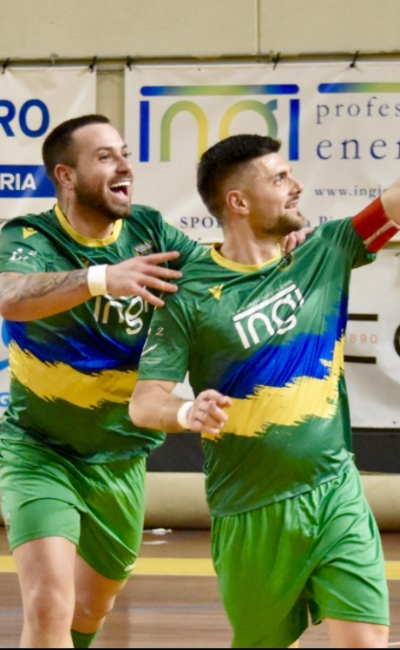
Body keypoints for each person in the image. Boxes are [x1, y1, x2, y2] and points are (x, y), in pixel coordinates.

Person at [0, 116, 306, 649]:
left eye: (124, 152)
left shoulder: (150, 231)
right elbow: (9, 295)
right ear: (66, 176)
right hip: (39, 450)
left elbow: (217, 275)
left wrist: (276, 247)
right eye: (105, 157)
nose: (124, 165)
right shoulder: (30, 236)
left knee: (92, 607)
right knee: (49, 604)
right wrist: (101, 278)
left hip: (121, 455)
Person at [129, 134, 399, 648]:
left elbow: (394, 202)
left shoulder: (326, 250)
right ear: (238, 201)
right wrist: (187, 412)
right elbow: (145, 404)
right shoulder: (189, 294)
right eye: (279, 179)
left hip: (334, 492)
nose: (297, 186)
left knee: (366, 640)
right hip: (249, 513)